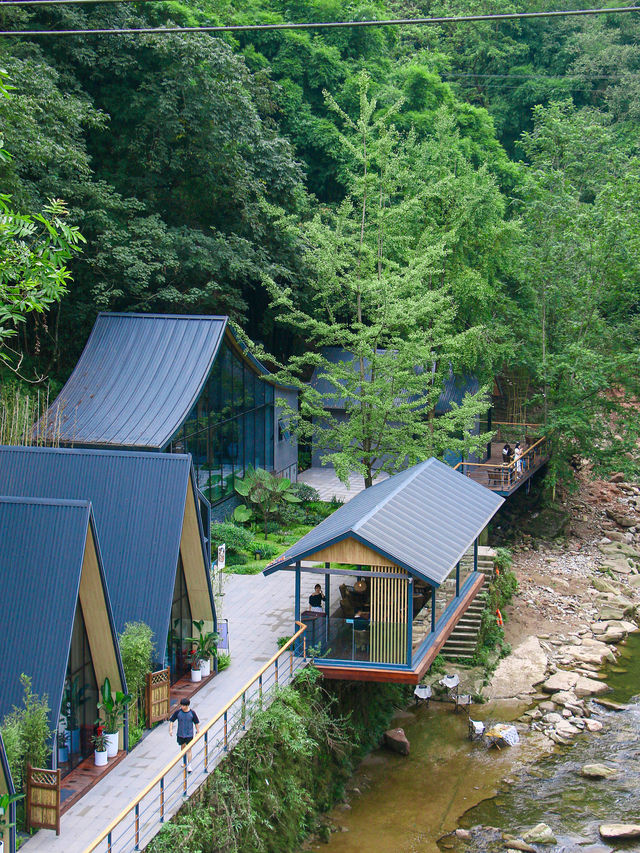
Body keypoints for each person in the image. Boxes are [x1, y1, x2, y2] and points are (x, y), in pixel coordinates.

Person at [169, 698, 200, 772]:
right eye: (181, 705)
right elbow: (172, 720)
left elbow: (196, 722)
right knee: (182, 748)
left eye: (183, 705)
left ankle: (189, 765)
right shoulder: (178, 712)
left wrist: (198, 731)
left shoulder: (192, 713)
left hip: (189, 734)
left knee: (189, 749)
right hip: (180, 734)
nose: (182, 707)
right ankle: (184, 762)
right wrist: (170, 730)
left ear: (187, 705)